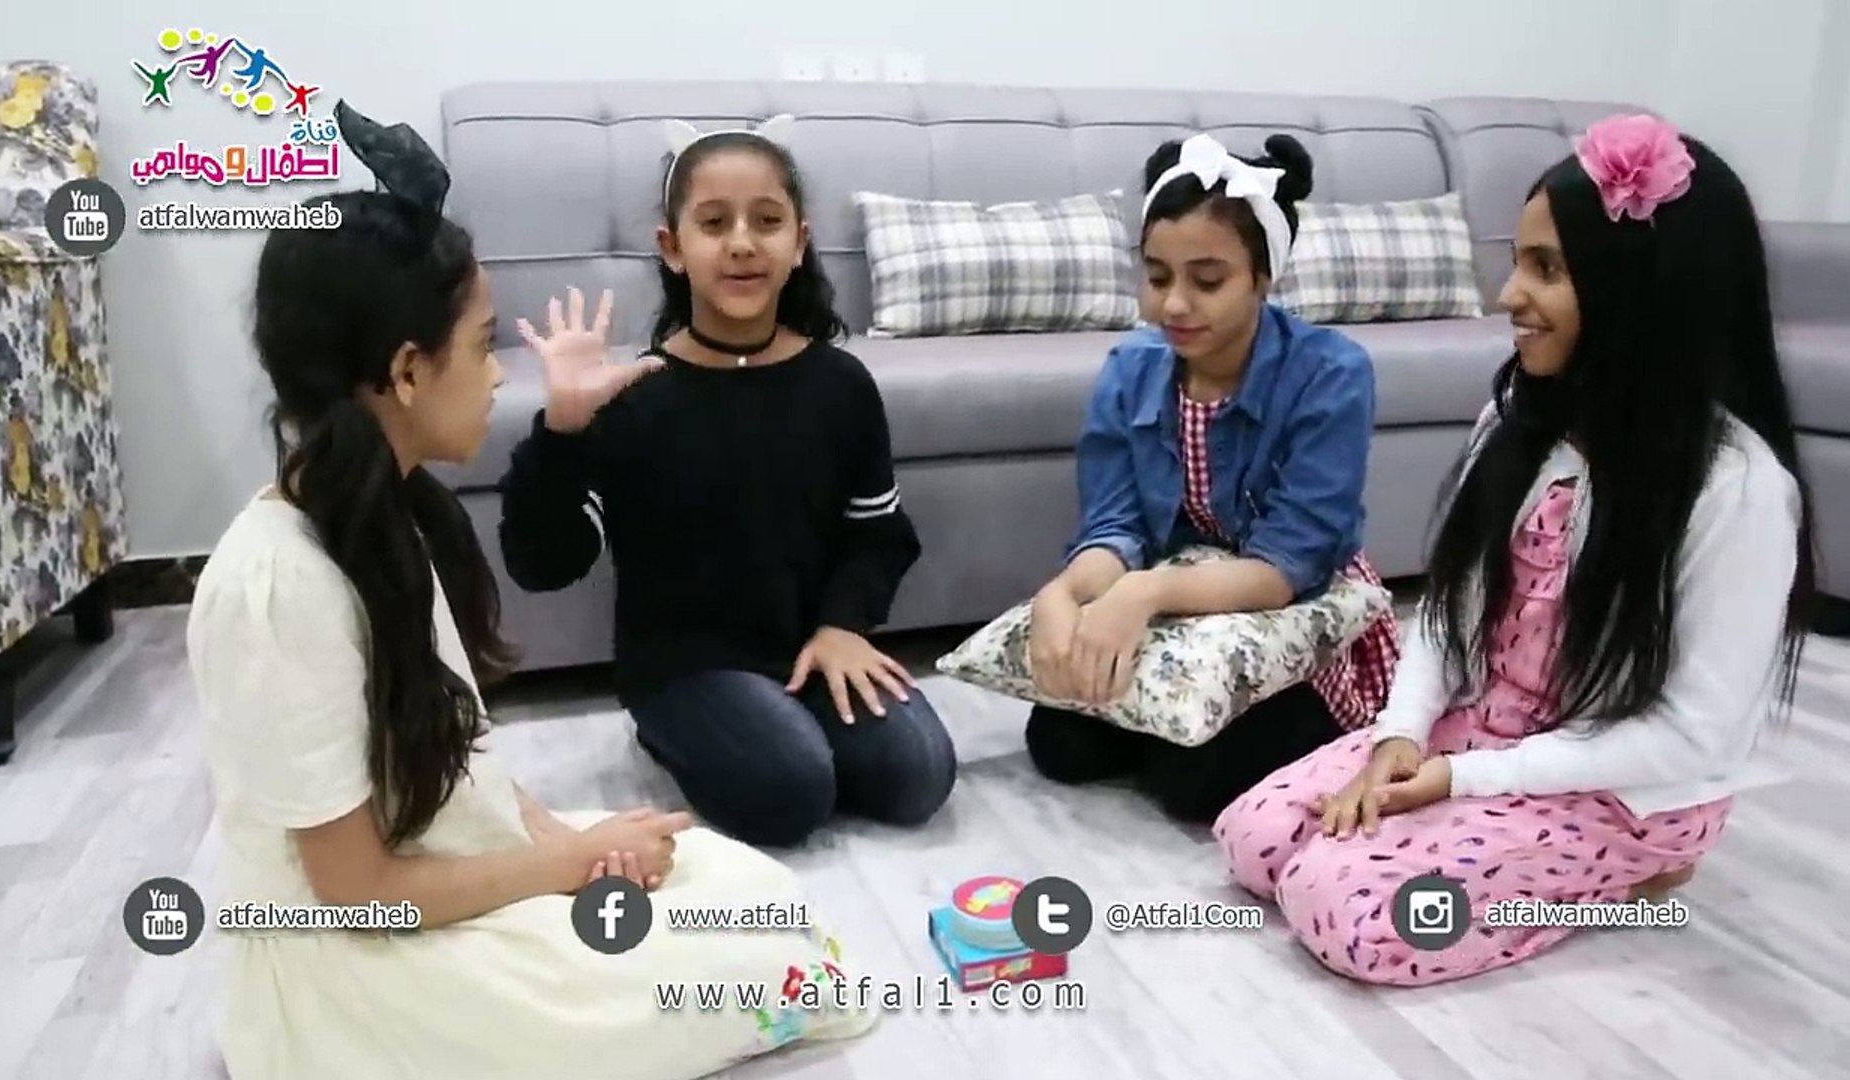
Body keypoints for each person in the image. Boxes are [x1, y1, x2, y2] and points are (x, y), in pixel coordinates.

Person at [186, 102, 875, 1080]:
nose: (497, 376)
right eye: (481, 346)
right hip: (358, 959)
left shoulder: (389, 517)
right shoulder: (277, 585)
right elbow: (355, 892)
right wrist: (560, 865)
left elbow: (451, 758)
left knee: (748, 897)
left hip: (439, 865)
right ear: (408, 372)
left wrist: (563, 841)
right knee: (742, 972)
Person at [1213, 115, 1817, 986]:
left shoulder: (1738, 489)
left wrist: (1463, 780)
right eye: (1519, 261)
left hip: (1622, 788)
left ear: (1640, 291)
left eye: (1547, 269)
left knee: (1351, 912)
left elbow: (1692, 734)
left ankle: (1640, 875)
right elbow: (1448, 611)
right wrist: (1400, 736)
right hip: (1485, 732)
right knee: (1255, 837)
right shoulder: (1517, 420)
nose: (1507, 296)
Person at [496, 116, 958, 849]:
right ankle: (676, 729)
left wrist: (843, 627)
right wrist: (562, 431)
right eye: (714, 223)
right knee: (791, 791)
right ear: (672, 247)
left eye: (766, 221)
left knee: (920, 774)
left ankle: (779, 726)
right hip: (684, 668)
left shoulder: (840, 384)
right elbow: (542, 564)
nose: (742, 243)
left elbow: (879, 535)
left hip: (807, 651)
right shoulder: (636, 397)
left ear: (799, 242)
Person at [1022, 132, 1399, 822]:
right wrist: (1065, 592)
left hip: (1282, 603)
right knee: (1058, 743)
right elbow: (1116, 525)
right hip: (1175, 602)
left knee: (1195, 783)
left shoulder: (1331, 373)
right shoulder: (1130, 370)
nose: (1174, 305)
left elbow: (1285, 567)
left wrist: (1144, 593)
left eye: (1207, 281)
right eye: (1158, 277)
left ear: (1263, 276)